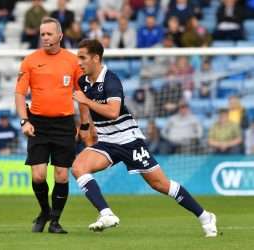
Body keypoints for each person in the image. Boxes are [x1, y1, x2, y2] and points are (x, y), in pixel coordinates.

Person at [72, 39, 217, 237]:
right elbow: (82, 102)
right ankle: (106, 214)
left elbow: (113, 111)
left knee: (160, 184)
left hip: (129, 140)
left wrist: (86, 101)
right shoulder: (83, 81)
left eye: (82, 57)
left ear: (96, 58)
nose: (78, 62)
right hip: (106, 141)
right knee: (79, 167)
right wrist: (85, 124)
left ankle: (205, 216)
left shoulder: (111, 81)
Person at [15, 17, 82, 234]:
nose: (45, 37)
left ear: (60, 36)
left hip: (64, 123)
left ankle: (55, 221)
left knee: (62, 175)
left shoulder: (73, 62)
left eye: (49, 34)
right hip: (38, 123)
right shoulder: (30, 61)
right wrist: (24, 120)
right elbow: (19, 93)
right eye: (42, 34)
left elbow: (81, 95)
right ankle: (44, 211)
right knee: (38, 175)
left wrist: (86, 124)